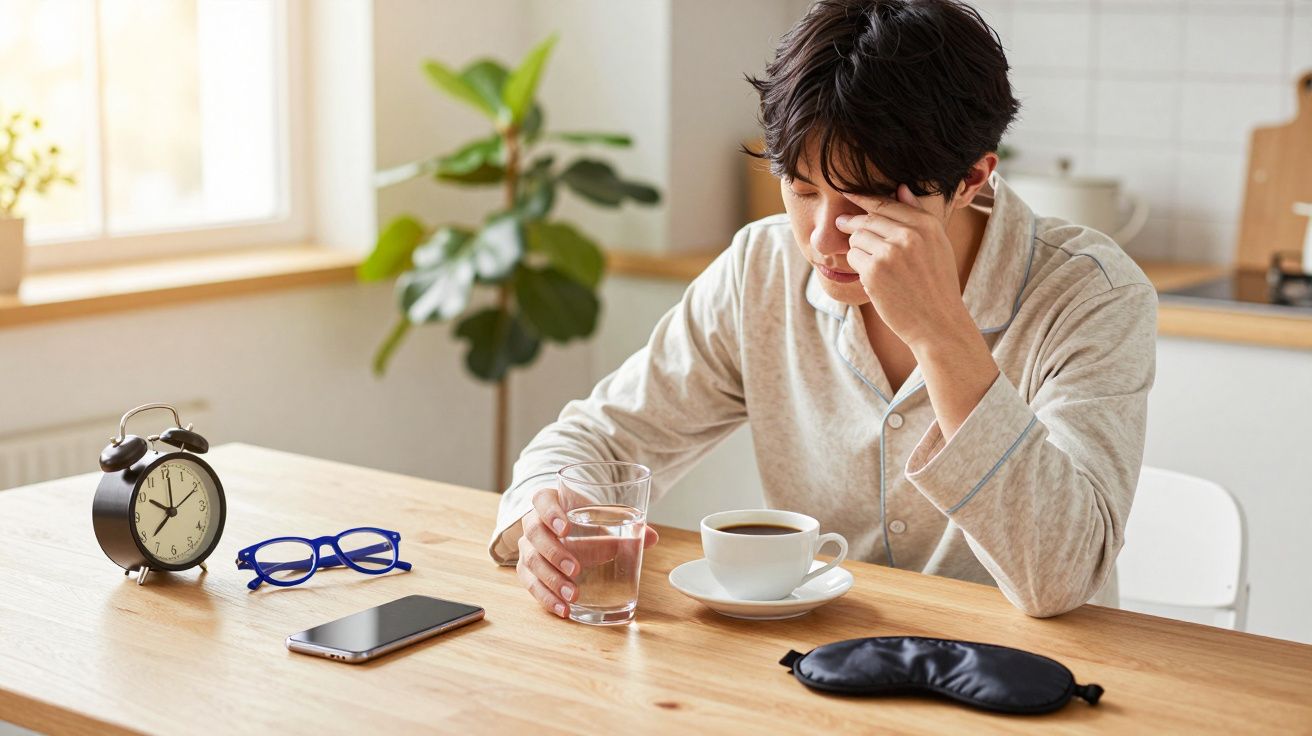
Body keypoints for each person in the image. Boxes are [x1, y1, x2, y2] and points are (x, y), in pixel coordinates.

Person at [488, 0, 1157, 620]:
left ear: (973, 178)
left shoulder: (1091, 294)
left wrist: (942, 333)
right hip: (819, 673)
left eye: (865, 200)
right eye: (802, 189)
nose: (821, 237)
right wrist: (550, 508)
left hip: (1027, 681)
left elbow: (1063, 577)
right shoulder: (763, 268)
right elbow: (602, 437)